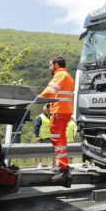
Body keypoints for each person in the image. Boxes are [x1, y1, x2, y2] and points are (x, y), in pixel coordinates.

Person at [39, 56, 74, 186]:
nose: (49, 67)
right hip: (66, 111)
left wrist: (37, 98)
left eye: (50, 64)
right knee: (62, 139)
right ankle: (63, 165)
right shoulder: (68, 76)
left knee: (56, 139)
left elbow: (50, 91)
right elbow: (59, 94)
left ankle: (63, 168)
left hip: (58, 111)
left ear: (56, 65)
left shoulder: (60, 75)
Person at [34, 103, 55, 168]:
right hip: (42, 138)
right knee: (41, 151)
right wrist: (37, 136)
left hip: (51, 137)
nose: (49, 111)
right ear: (44, 110)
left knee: (53, 151)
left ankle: (54, 164)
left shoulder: (52, 116)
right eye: (47, 110)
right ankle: (40, 163)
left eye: (49, 110)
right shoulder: (40, 117)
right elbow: (36, 127)